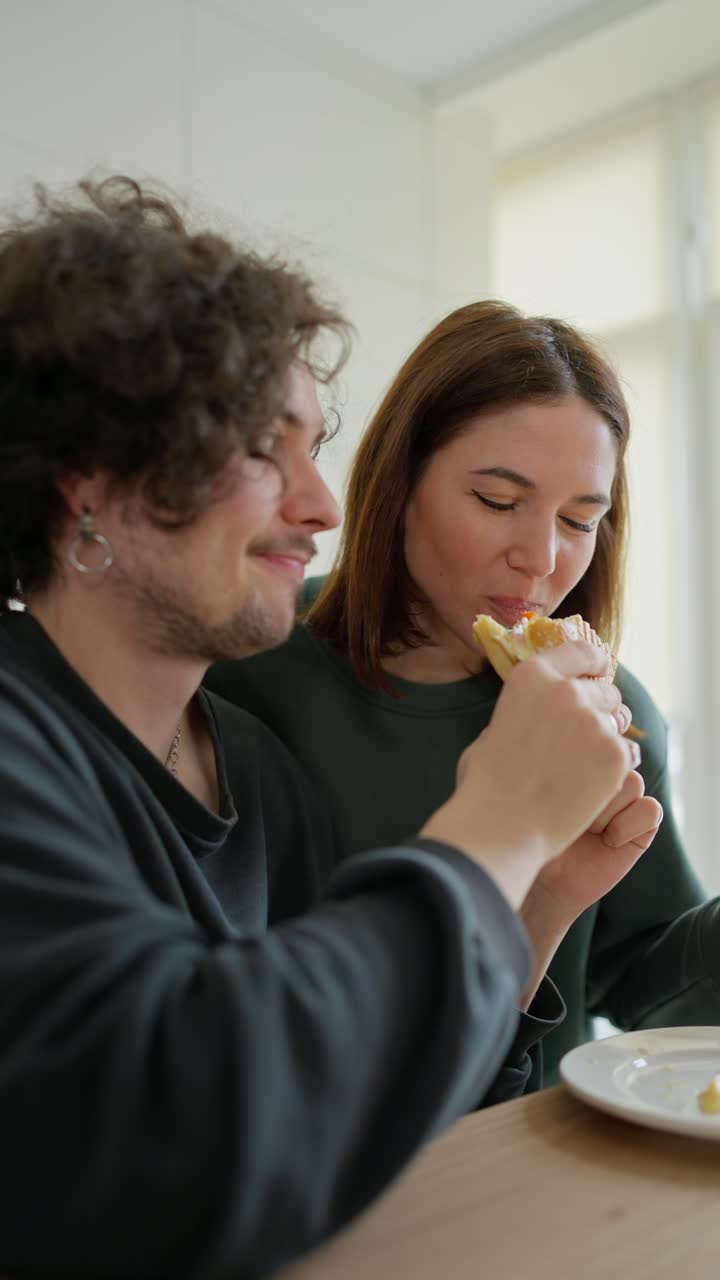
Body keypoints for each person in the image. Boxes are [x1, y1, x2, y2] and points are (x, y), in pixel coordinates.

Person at [0, 180, 642, 1280]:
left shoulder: (258, 774)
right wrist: (497, 820)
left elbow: (364, 1115)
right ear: (87, 484)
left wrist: (541, 895)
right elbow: (169, 1144)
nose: (324, 507)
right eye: (264, 448)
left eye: (317, 449)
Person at [207, 298, 720, 1092]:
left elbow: (643, 985)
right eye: (497, 502)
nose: (541, 559)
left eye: (580, 520)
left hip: (535, 1146)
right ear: (399, 482)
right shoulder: (244, 668)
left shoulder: (606, 709)